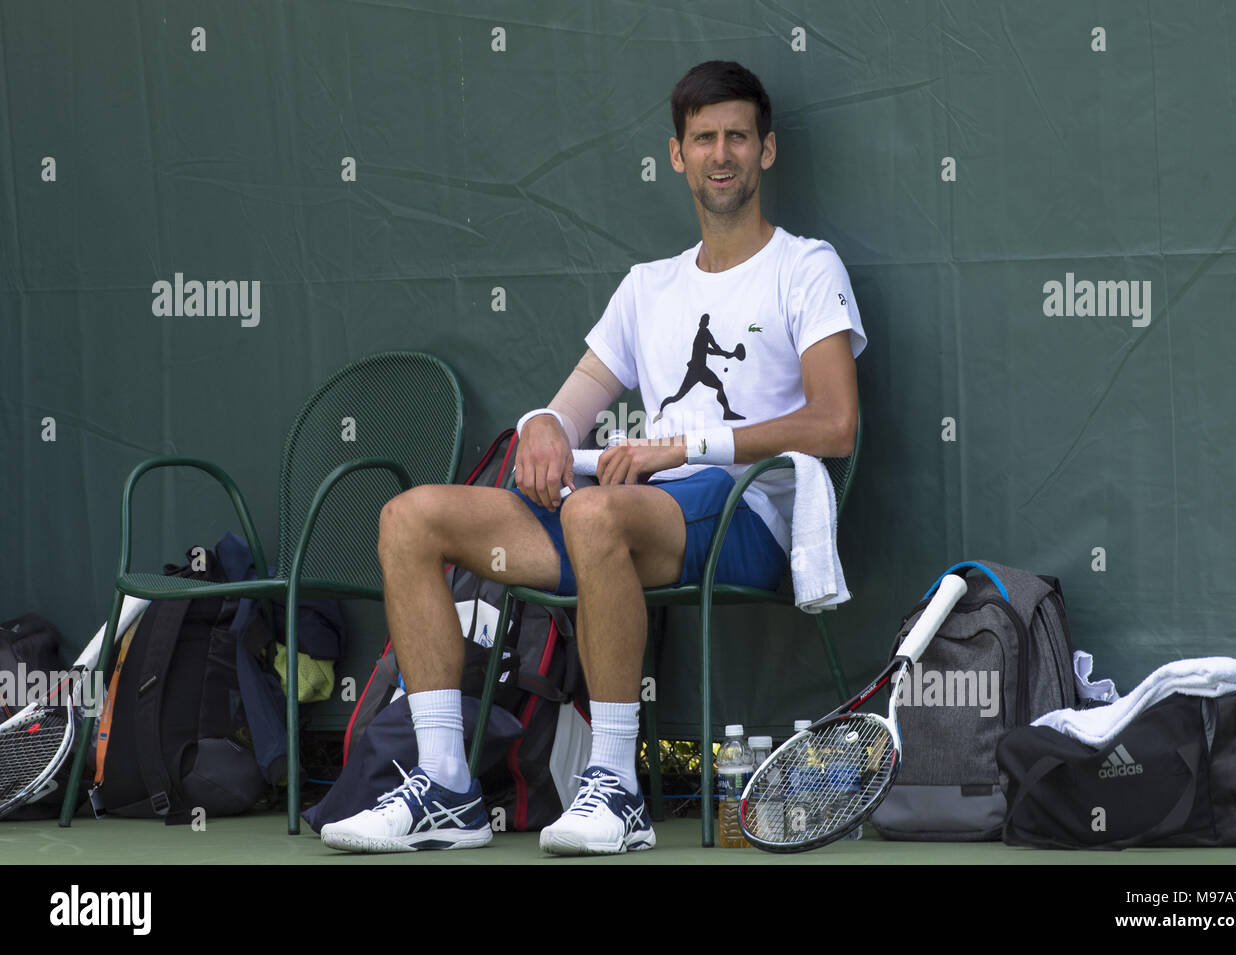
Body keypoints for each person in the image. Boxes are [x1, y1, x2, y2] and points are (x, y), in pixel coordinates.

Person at [321, 60, 866, 856]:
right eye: (704, 138)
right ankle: (446, 786)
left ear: (767, 150)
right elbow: (566, 406)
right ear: (676, 155)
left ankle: (616, 789)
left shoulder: (806, 267)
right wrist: (541, 425)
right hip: (619, 524)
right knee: (410, 518)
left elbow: (835, 424)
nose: (722, 154)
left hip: (748, 514)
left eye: (738, 138)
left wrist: (681, 446)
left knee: (595, 508)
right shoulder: (648, 286)